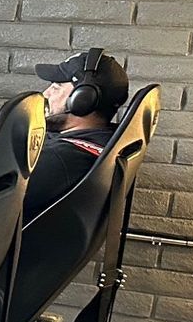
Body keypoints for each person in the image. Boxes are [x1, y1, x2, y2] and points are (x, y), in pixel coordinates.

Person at [25, 48, 131, 221]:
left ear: (83, 100)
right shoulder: (102, 142)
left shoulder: (61, 160)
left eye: (56, 87)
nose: (45, 94)